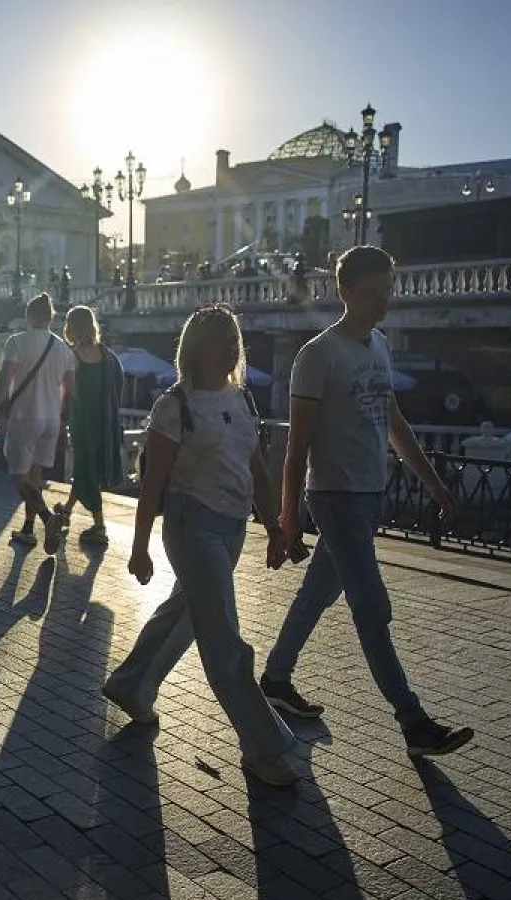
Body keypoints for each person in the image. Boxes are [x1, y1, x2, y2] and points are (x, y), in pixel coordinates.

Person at [262, 246, 474, 760]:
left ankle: (275, 678)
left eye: (389, 290)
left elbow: (393, 423)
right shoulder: (318, 355)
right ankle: (414, 723)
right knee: (372, 608)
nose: (385, 302)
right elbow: (298, 447)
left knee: (318, 595)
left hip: (366, 494)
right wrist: (289, 517)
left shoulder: (379, 345)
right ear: (346, 291)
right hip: (334, 496)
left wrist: (433, 483)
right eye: (375, 292)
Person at [103, 307, 300, 786]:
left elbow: (255, 469)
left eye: (233, 339)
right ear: (196, 348)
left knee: (187, 613)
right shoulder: (176, 405)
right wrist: (140, 545)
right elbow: (153, 483)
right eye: (218, 340)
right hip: (192, 527)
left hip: (232, 529)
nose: (230, 348)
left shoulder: (241, 399)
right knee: (224, 639)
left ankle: (132, 685)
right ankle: (262, 745)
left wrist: (273, 526)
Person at [0, 293, 76, 553]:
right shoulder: (63, 349)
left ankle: (49, 520)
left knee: (19, 478)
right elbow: (71, 389)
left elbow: (3, 381)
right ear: (50, 318)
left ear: (30, 316)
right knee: (36, 477)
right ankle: (27, 529)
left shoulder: (17, 342)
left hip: (26, 417)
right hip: (51, 419)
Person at [53, 305, 124, 549]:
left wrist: (61, 422)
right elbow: (119, 384)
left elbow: (65, 393)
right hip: (104, 422)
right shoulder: (108, 356)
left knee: (86, 470)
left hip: (82, 421)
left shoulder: (72, 356)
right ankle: (67, 511)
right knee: (87, 468)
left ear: (70, 328)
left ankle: (100, 526)